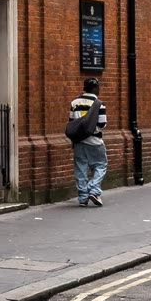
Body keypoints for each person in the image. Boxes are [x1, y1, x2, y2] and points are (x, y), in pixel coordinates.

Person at [66, 79, 108, 208]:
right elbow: (102, 124)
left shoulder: (74, 103)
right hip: (95, 141)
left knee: (80, 168)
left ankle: (83, 198)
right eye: (98, 87)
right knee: (100, 165)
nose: (99, 89)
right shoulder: (99, 104)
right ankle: (94, 190)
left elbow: (72, 121)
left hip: (79, 141)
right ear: (94, 88)